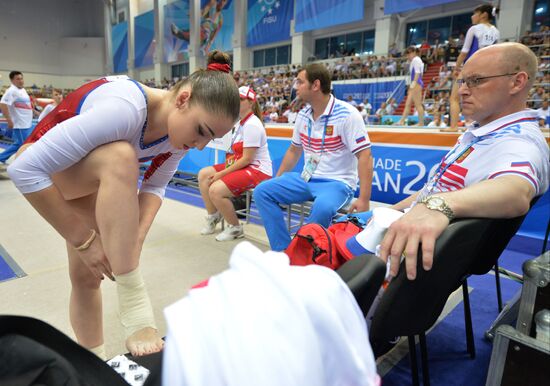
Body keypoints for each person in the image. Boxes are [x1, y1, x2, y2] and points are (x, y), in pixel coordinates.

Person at [6, 51, 240, 357]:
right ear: (183, 99)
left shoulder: (178, 134)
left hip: (86, 173)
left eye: (210, 140)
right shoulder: (125, 108)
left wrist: (135, 240)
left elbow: (155, 186)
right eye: (201, 132)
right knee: (120, 157)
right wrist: (84, 240)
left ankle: (93, 361)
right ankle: (134, 300)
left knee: (86, 279)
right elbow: (23, 170)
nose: (199, 145)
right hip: (42, 166)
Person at [377, 43, 549, 280]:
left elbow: (515, 192)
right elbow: (430, 192)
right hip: (411, 235)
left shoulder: (519, 141)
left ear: (517, 82)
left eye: (476, 80)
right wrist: (389, 211)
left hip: (417, 254)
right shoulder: (483, 131)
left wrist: (437, 205)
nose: (462, 91)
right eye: (462, 81)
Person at [253, 63, 373, 252]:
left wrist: (364, 199)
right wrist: (278, 179)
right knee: (262, 191)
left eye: (300, 82)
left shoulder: (347, 115)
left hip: (337, 183)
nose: (295, 87)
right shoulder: (303, 115)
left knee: (323, 208)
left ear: (315, 85)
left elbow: (365, 155)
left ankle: (303, 254)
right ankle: (283, 250)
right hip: (306, 179)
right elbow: (294, 150)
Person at [198, 85, 272, 241]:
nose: (236, 102)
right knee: (204, 174)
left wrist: (222, 174)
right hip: (243, 164)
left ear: (251, 103)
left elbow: (248, 159)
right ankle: (213, 216)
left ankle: (235, 228)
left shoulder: (252, 124)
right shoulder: (240, 123)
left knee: (215, 190)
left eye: (241, 99)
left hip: (258, 170)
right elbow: (238, 155)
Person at [449, 5, 500, 131]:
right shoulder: (496, 32)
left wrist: (456, 68)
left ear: (483, 15)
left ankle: (454, 126)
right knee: (478, 99)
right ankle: (484, 126)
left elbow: (464, 51)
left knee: (454, 97)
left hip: (469, 69)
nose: (472, 17)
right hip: (487, 70)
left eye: (474, 14)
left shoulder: (474, 29)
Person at [0, 71, 33, 170]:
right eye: (18, 79)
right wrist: (9, 120)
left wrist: (35, 112)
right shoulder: (11, 91)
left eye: (21, 78)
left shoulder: (22, 90)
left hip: (27, 123)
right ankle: (26, 165)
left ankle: (2, 157)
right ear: (12, 80)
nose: (21, 81)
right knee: (24, 145)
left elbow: (26, 105)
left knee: (19, 144)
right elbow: (2, 104)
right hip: (20, 124)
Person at [397, 47, 425, 126]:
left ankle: (421, 123)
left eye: (408, 54)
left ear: (413, 52)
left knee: (418, 104)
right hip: (415, 83)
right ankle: (402, 121)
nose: (407, 56)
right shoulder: (415, 60)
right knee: (408, 104)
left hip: (416, 83)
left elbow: (417, 73)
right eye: (407, 55)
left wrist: (413, 85)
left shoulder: (416, 59)